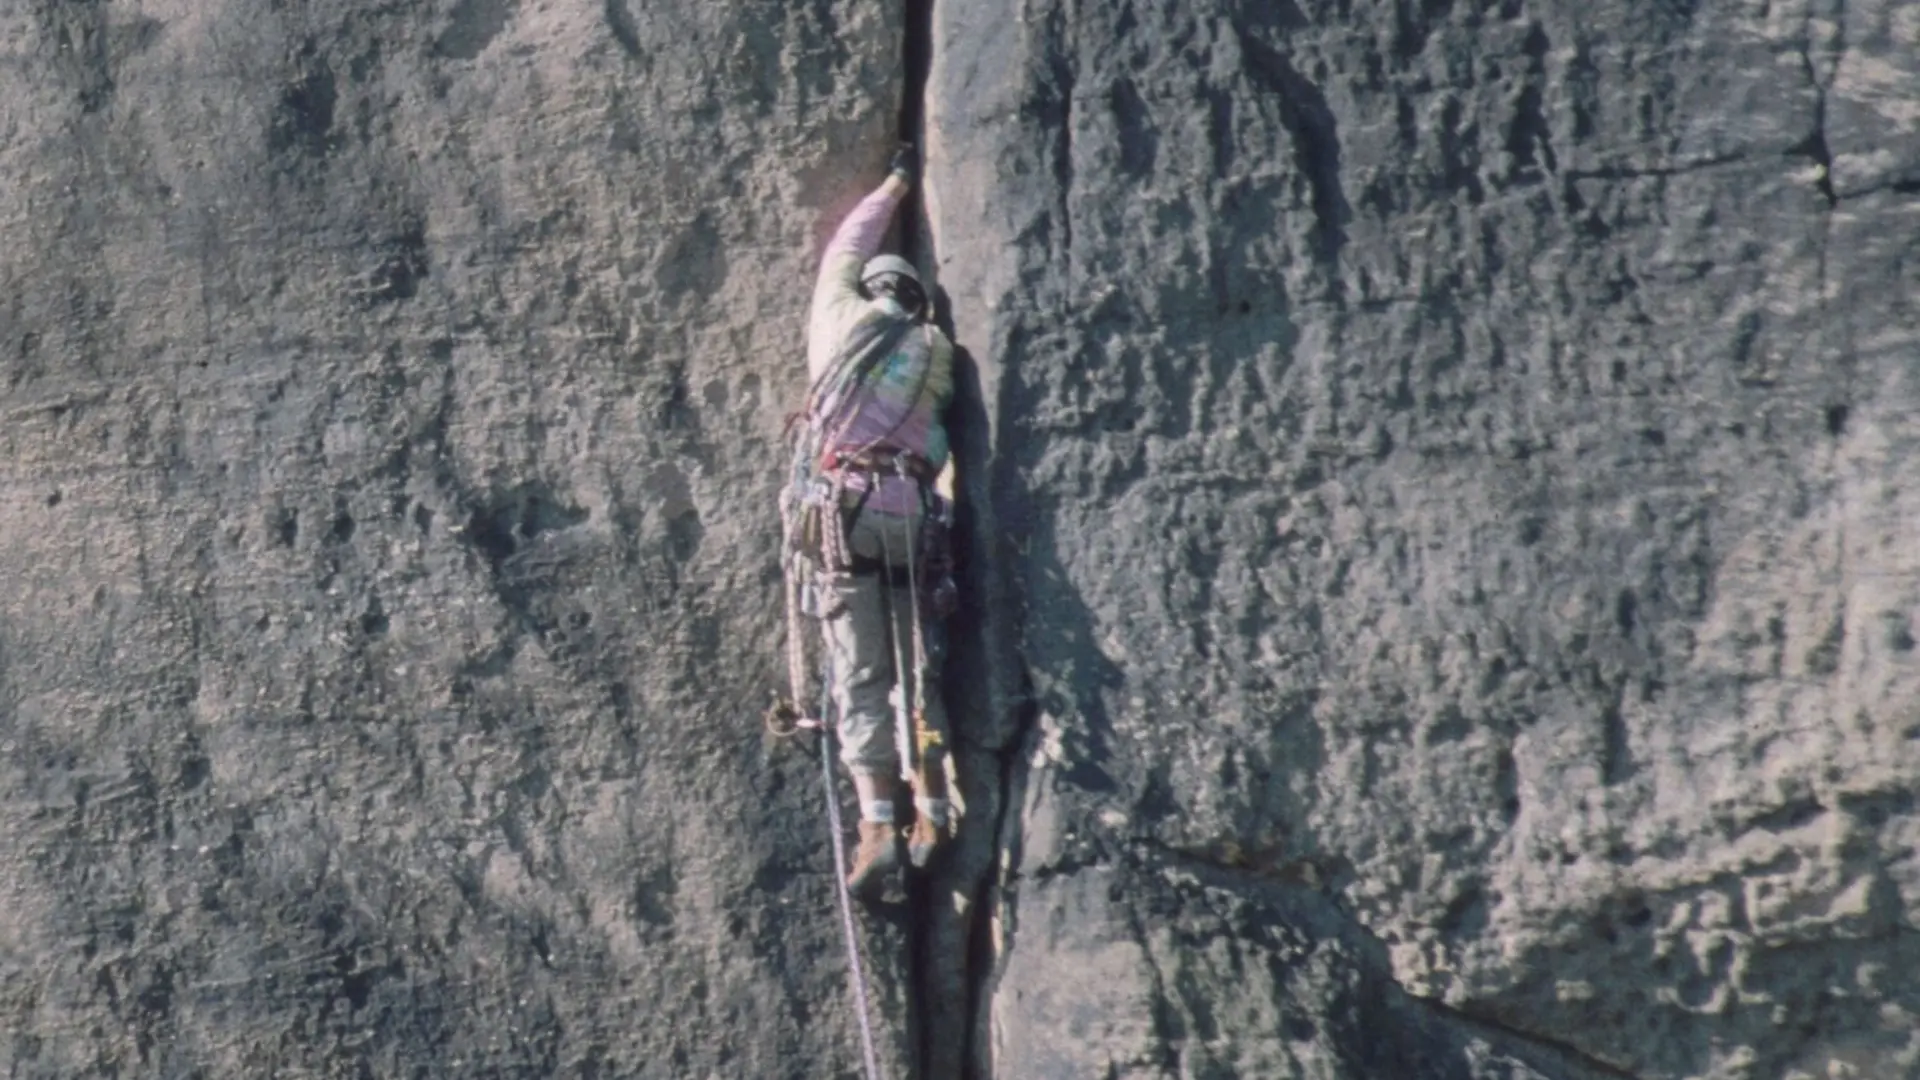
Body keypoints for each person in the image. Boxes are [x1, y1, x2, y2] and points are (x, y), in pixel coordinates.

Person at [797, 145, 957, 899]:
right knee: (916, 662)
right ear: (917, 302)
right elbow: (935, 443)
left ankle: (879, 827)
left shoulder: (838, 319)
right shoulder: (934, 349)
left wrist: (893, 182)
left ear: (872, 290)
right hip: (913, 516)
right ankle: (932, 813)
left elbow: (846, 245)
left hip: (846, 516)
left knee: (861, 671)